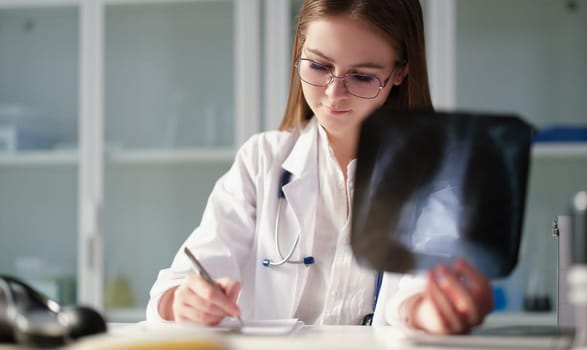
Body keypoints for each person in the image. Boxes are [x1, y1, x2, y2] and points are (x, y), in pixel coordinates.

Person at [147, 0, 493, 334]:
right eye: (318, 66)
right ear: (300, 51)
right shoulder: (261, 162)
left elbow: (419, 290)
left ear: (400, 71)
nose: (333, 93)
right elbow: (182, 281)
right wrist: (182, 301)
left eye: (361, 77)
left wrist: (427, 310)